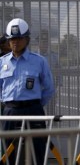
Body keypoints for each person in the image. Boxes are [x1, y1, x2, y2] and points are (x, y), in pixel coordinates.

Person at [0, 18, 55, 165]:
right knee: (8, 153)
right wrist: (7, 104)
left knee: (38, 151)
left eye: (19, 38)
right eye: (12, 39)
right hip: (10, 112)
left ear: (27, 39)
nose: (15, 42)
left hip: (33, 111)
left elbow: (49, 88)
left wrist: (35, 104)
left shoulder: (39, 61)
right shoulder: (2, 63)